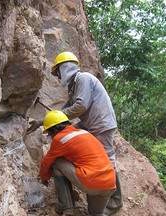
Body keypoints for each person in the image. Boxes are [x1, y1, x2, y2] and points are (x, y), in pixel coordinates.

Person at [27, 51, 123, 215]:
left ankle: (115, 201)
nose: (58, 77)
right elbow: (63, 113)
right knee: (94, 154)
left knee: (107, 158)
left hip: (100, 124)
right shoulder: (75, 86)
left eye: (58, 73)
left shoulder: (83, 79)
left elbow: (80, 106)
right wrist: (42, 122)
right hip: (90, 124)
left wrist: (53, 122)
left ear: (65, 68)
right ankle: (102, 197)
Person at [39, 110, 116, 215]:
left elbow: (46, 162)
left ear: (56, 129)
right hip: (110, 184)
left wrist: (44, 177)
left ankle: (66, 207)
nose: (51, 137)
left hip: (91, 181)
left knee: (57, 161)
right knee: (95, 214)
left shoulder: (59, 139)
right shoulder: (84, 132)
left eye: (50, 133)